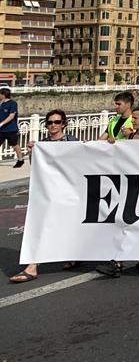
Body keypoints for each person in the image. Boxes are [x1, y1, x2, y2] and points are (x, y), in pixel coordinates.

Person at [9, 109, 79, 282]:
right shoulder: (43, 144)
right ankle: (33, 266)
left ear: (63, 124)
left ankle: (74, 254)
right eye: (49, 122)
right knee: (44, 225)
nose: (53, 125)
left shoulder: (72, 141)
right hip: (49, 192)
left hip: (69, 191)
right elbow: (37, 167)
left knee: (68, 225)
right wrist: (33, 152)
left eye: (57, 122)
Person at [0, 88, 24, 167]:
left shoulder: (12, 103)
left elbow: (11, 116)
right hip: (1, 130)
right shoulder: (1, 103)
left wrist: (1, 123)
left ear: (3, 95)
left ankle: (20, 160)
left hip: (11, 129)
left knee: (14, 145)